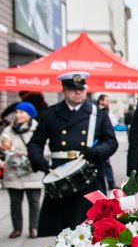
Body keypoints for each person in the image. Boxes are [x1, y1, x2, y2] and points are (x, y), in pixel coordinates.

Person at [27, 72, 118, 237]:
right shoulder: (50, 114)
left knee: (91, 228)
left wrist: (96, 151)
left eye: (81, 88)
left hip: (89, 175)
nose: (78, 92)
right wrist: (37, 159)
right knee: (62, 229)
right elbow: (35, 142)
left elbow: (111, 142)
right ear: (64, 90)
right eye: (72, 89)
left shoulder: (98, 114)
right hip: (60, 177)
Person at [1, 102, 43, 239]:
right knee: (15, 201)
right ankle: (17, 228)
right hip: (13, 171)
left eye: (22, 112)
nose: (18, 115)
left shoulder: (39, 129)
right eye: (17, 112)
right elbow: (2, 145)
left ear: (30, 115)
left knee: (34, 201)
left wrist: (30, 154)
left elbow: (46, 147)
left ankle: (34, 227)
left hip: (32, 170)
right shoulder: (8, 130)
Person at [96, 94, 117, 192]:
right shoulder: (95, 111)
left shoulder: (107, 112)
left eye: (108, 100)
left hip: (104, 143)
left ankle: (111, 183)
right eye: (106, 100)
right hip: (96, 143)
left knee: (106, 163)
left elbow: (114, 124)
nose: (108, 103)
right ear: (100, 101)